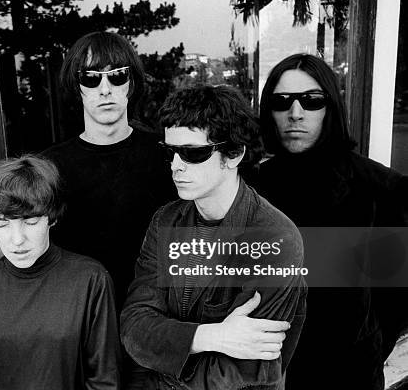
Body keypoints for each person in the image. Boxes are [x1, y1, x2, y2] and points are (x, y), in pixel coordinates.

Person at [121, 85, 307, 389]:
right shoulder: (166, 221)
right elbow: (134, 326)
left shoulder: (275, 238)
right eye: (169, 151)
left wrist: (169, 352)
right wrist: (211, 337)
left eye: (193, 153)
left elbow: (247, 371)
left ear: (233, 154)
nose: (176, 165)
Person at [254, 53, 408, 390]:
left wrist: (368, 347)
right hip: (266, 375)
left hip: (348, 374)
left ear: (330, 107)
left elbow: (397, 298)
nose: (296, 113)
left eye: (311, 101)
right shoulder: (251, 188)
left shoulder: (380, 188)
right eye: (282, 102)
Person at [0, 155, 121, 390]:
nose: (17, 239)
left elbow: (104, 381)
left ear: (51, 219)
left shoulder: (90, 279)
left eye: (30, 222)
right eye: (3, 224)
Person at [42, 31, 176, 307]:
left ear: (131, 84)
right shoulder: (49, 167)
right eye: (91, 78)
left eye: (117, 76)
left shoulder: (165, 156)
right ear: (76, 87)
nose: (105, 89)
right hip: (80, 316)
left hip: (155, 314)